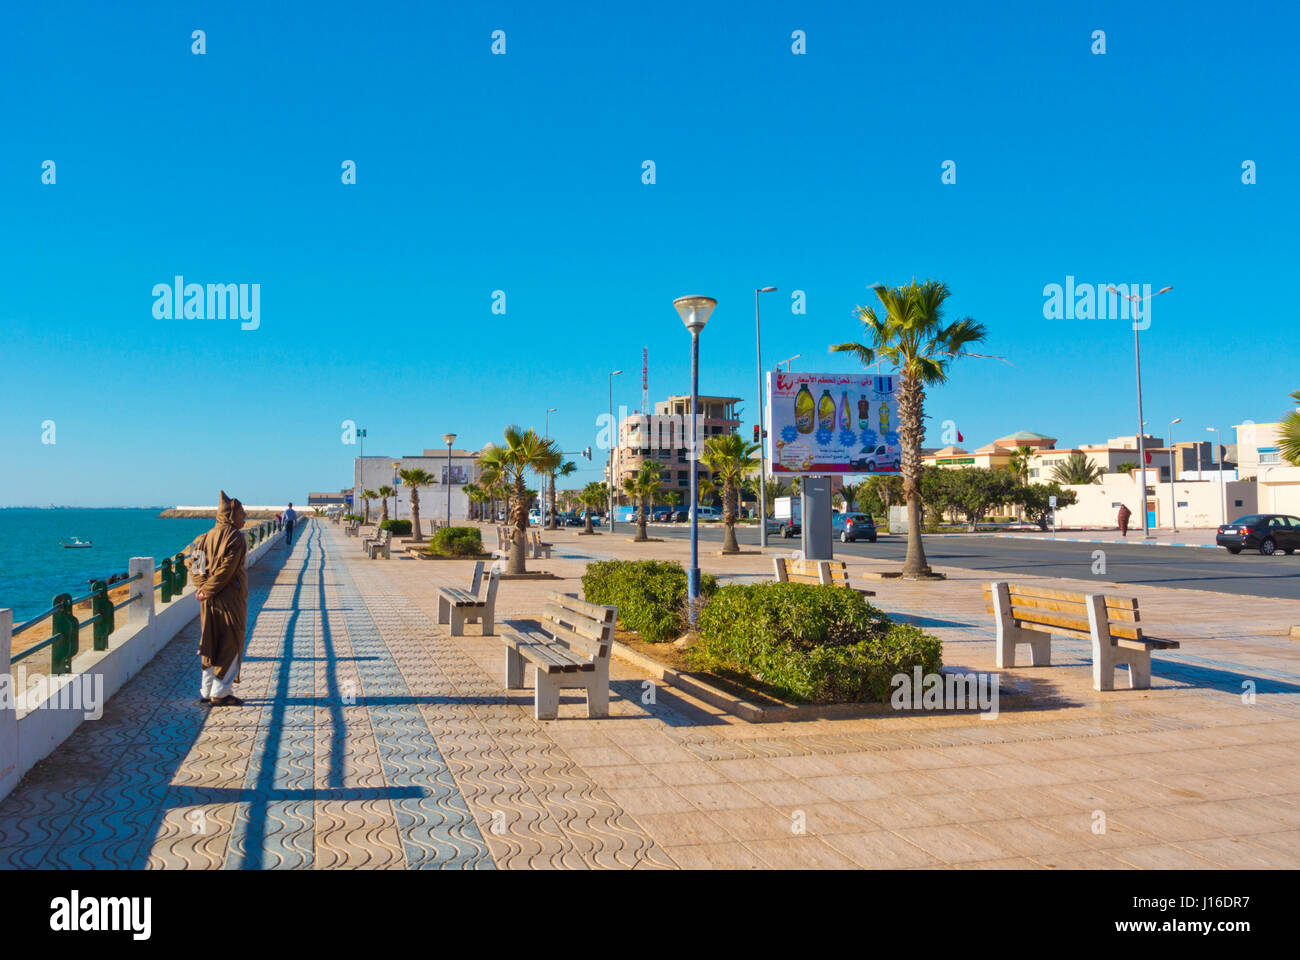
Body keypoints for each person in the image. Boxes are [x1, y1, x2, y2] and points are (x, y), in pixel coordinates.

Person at [188, 491, 249, 706]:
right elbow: (227, 569)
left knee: (210, 640)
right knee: (231, 639)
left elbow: (195, 566)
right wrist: (210, 589)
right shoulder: (236, 537)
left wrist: (203, 589)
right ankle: (221, 692)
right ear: (231, 515)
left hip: (208, 600)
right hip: (229, 598)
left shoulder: (202, 538)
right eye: (241, 514)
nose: (244, 518)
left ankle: (206, 690)